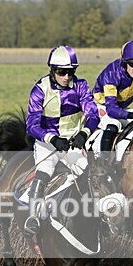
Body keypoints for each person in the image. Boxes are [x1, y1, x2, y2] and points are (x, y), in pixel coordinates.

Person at [24, 45, 100, 235]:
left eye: (71, 72)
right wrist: (52, 138)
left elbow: (92, 114)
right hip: (47, 144)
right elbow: (31, 125)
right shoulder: (39, 90)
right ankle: (32, 217)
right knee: (44, 171)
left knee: (87, 173)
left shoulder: (81, 86)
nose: (67, 77)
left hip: (73, 144)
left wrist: (84, 133)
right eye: (62, 72)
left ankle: (98, 217)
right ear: (52, 70)